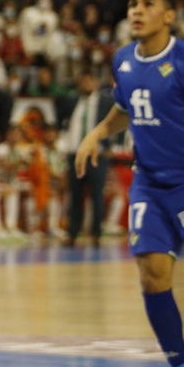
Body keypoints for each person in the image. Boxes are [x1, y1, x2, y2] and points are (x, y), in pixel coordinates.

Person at [76, 0, 184, 367]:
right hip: (148, 182)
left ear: (168, 16)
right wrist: (96, 132)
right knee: (152, 275)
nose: (137, 10)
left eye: (148, 4)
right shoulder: (123, 60)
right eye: (132, 3)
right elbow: (126, 108)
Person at [65, 71, 113, 247]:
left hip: (96, 154)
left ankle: (96, 234)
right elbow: (66, 124)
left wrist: (108, 146)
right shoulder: (72, 101)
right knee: (75, 195)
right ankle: (72, 233)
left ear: (95, 83)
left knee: (96, 195)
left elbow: (114, 123)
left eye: (88, 80)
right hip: (75, 153)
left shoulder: (105, 102)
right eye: (82, 81)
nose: (85, 84)